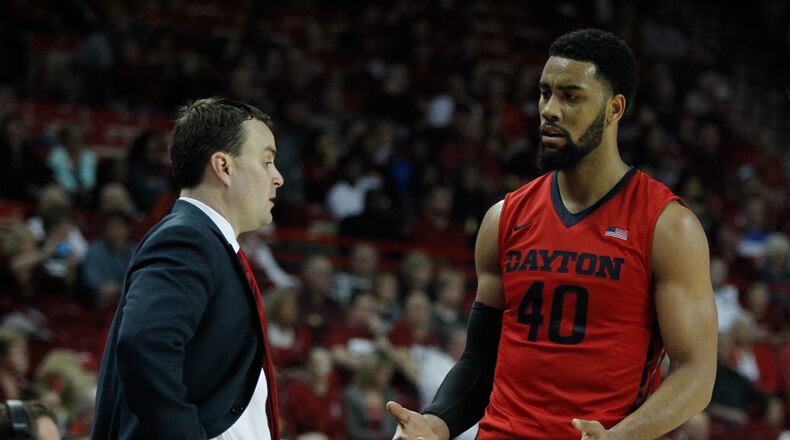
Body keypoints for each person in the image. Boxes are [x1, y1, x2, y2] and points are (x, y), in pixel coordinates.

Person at [386, 29, 717, 440]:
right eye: (545, 93)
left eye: (571, 97)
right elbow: (479, 358)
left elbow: (696, 373)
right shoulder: (503, 218)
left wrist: (622, 436)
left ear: (614, 109)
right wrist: (435, 423)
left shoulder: (667, 226)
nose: (549, 110)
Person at [92, 97, 285, 439]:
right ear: (223, 167)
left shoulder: (209, 243)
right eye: (267, 162)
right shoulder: (187, 238)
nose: (278, 178)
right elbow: (143, 348)